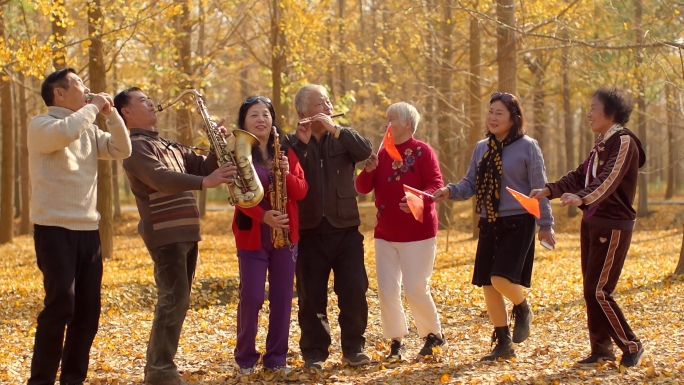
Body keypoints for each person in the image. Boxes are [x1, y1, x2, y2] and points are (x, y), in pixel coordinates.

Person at [114, 87, 237, 385]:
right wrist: (206, 181)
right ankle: (159, 371)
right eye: (143, 101)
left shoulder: (170, 146)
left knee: (178, 299)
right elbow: (161, 178)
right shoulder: (133, 148)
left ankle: (161, 367)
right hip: (164, 233)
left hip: (186, 231)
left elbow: (205, 168)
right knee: (172, 299)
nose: (152, 103)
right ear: (126, 113)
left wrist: (215, 144)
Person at [27, 68, 132, 385]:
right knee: (61, 306)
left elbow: (121, 149)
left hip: (89, 232)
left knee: (88, 312)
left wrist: (112, 117)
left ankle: (73, 378)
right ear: (58, 93)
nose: (87, 89)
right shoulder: (42, 125)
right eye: (79, 84)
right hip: (54, 230)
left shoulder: (87, 128)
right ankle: (41, 379)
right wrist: (92, 108)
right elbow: (66, 133)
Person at [433, 92, 555, 361]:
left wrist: (546, 224)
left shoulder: (528, 146)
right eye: (490, 112)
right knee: (489, 285)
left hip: (518, 221)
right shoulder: (482, 148)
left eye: (499, 113)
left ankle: (522, 308)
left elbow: (539, 188)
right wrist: (449, 191)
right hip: (488, 222)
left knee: (500, 279)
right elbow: (470, 184)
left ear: (514, 117)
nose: (492, 117)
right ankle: (503, 343)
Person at [529, 87, 646, 368]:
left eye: (594, 107)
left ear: (612, 112)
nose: (589, 113)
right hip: (592, 222)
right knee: (590, 289)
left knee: (599, 291)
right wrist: (550, 189)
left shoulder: (624, 141)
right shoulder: (602, 143)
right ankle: (601, 349)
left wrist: (583, 196)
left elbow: (609, 178)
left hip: (613, 224)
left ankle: (632, 344)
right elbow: (581, 174)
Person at [283, 84, 373, 369]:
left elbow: (365, 151)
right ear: (302, 111)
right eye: (321, 103)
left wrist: (336, 129)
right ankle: (314, 352)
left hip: (345, 227)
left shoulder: (343, 137)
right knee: (311, 296)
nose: (327, 107)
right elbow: (285, 174)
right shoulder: (290, 142)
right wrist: (301, 143)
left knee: (354, 290)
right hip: (309, 231)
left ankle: (354, 348)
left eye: (328, 102)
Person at [355, 102, 446, 360]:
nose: (386, 124)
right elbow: (362, 187)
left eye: (391, 119)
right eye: (385, 119)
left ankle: (433, 335)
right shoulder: (382, 154)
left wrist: (417, 200)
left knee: (416, 287)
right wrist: (367, 169)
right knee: (387, 288)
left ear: (407, 123)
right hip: (386, 233)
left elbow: (436, 186)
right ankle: (396, 341)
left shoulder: (423, 151)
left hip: (418, 232)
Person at [231, 96, 308, 375]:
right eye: (254, 115)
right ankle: (245, 358)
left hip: (285, 236)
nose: (261, 119)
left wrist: (287, 173)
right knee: (251, 297)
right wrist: (264, 215)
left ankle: (277, 358)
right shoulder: (239, 154)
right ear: (244, 122)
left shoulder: (286, 152)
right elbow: (239, 196)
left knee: (282, 298)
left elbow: (301, 191)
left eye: (266, 114)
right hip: (253, 235)